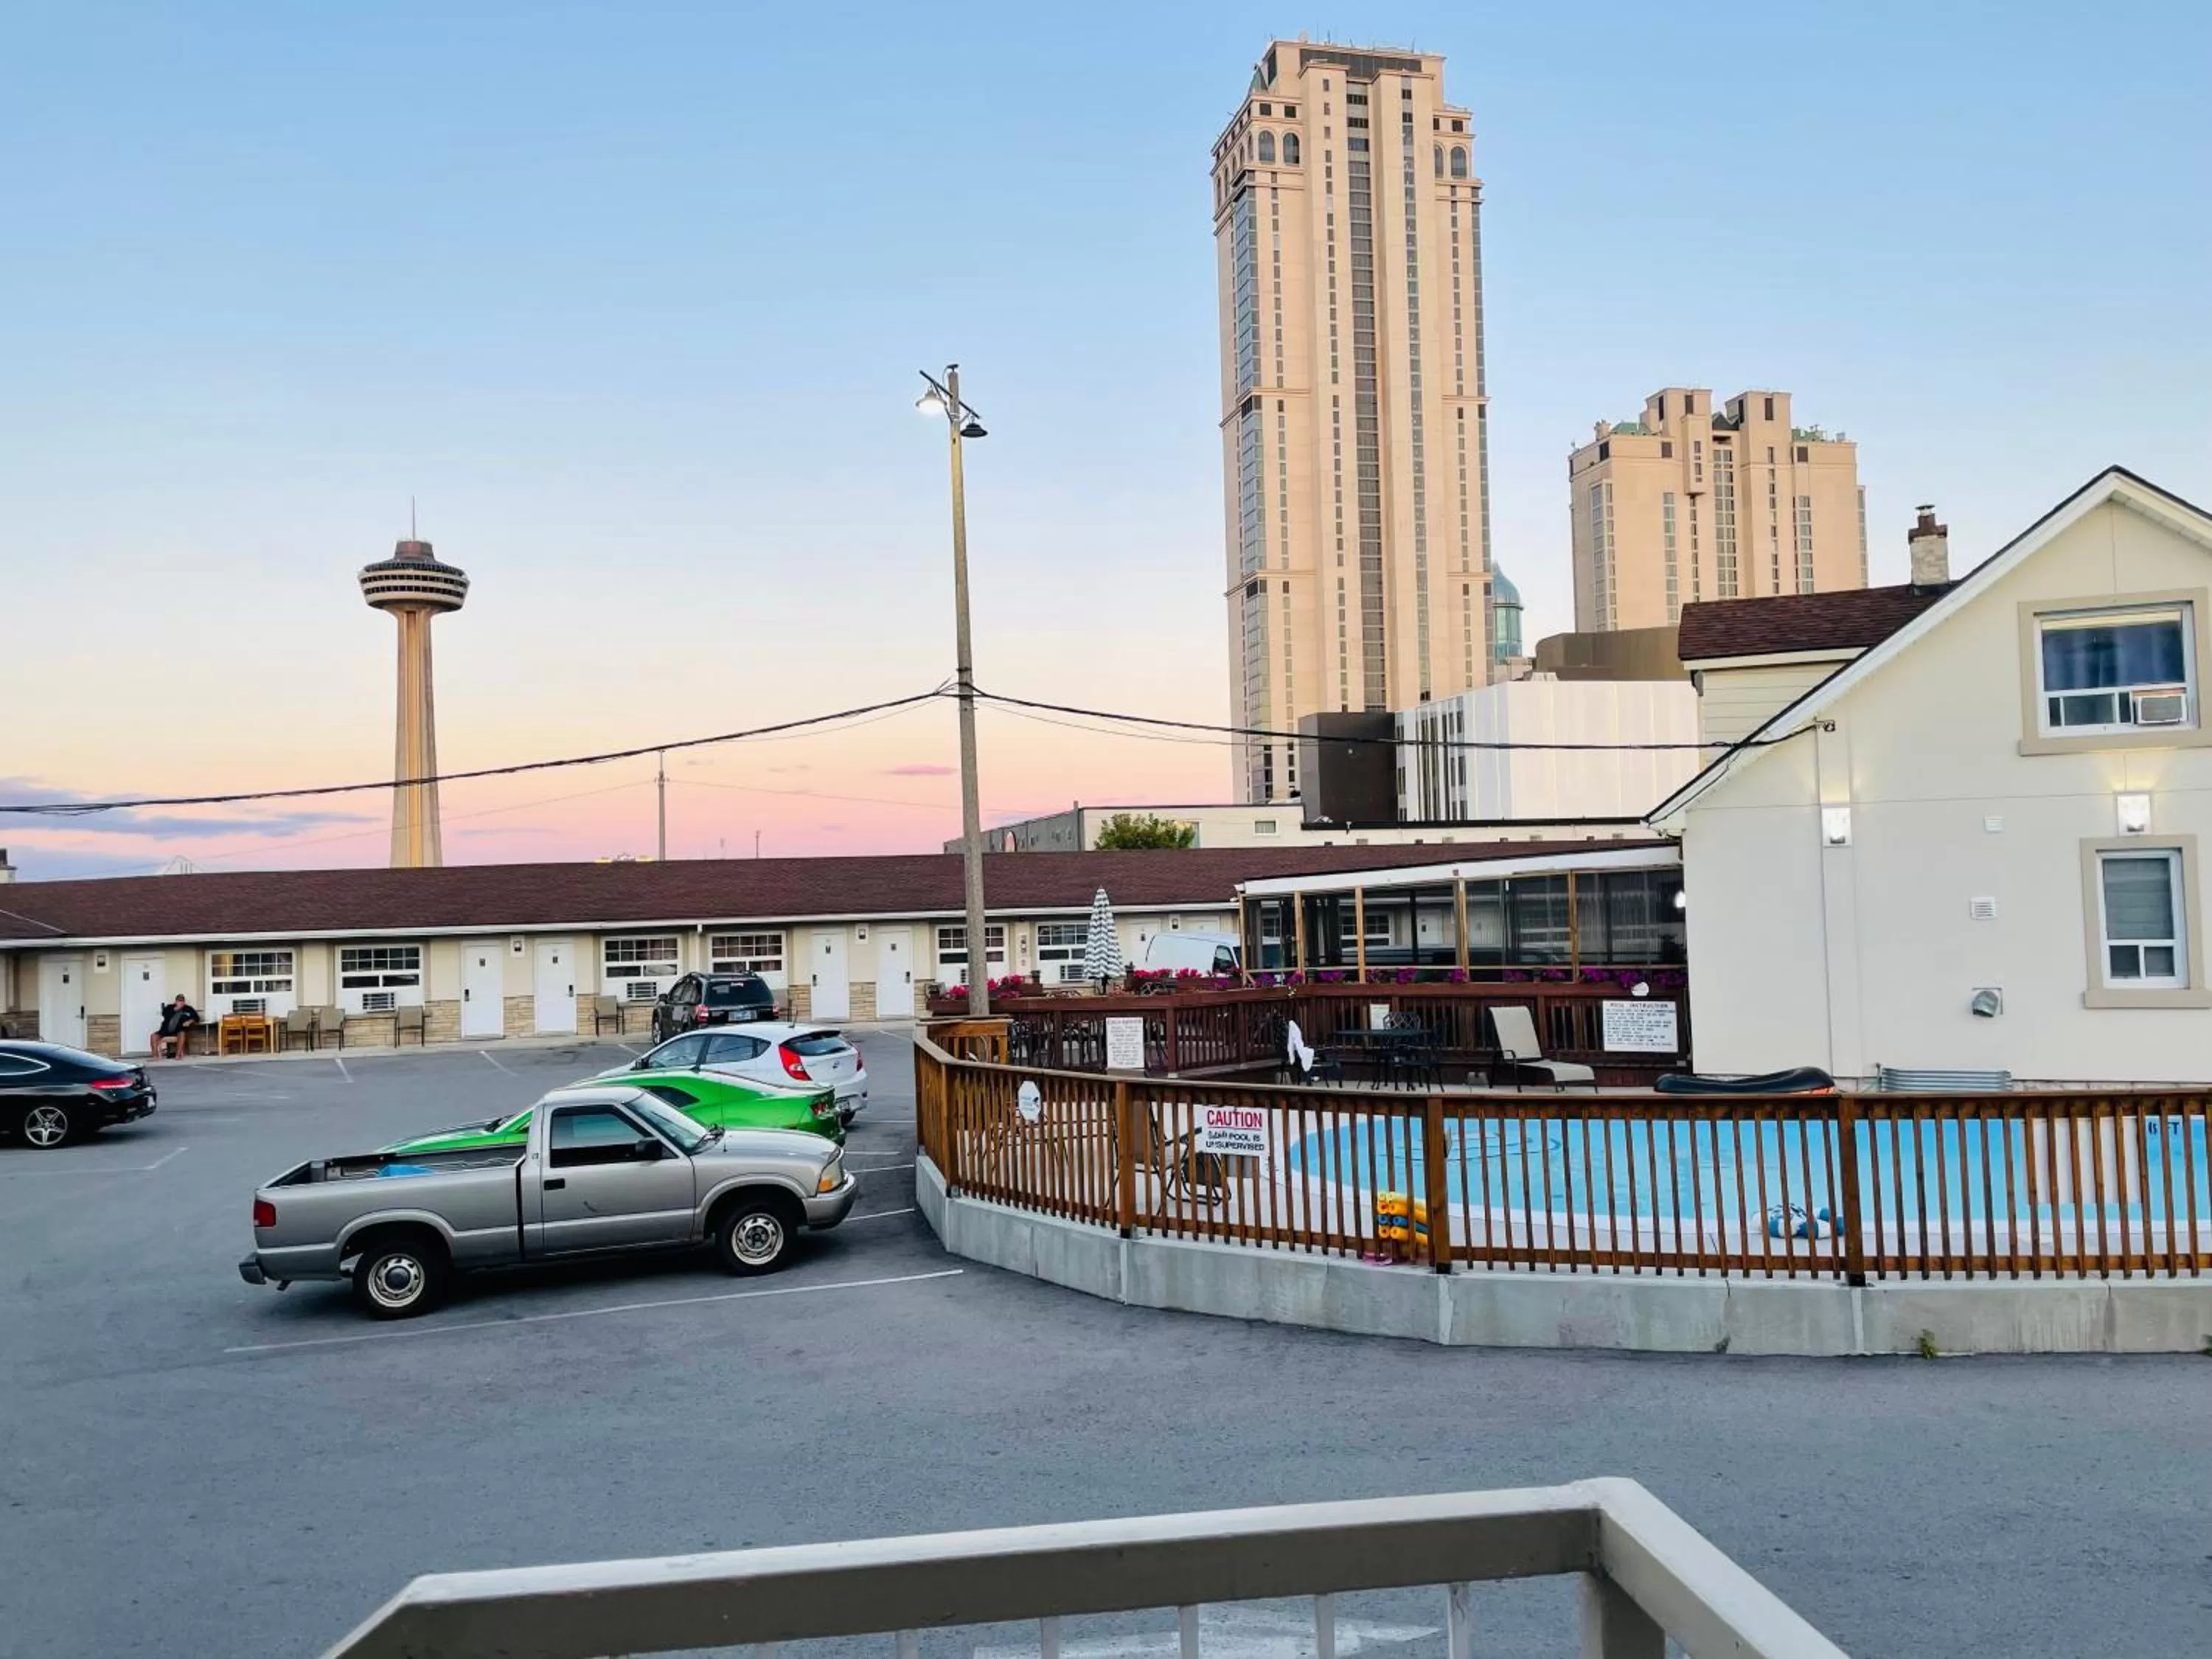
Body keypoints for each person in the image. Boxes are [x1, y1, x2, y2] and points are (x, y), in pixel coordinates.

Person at [151, 995, 200, 1060]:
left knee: (182, 1033)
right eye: (179, 1001)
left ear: (184, 1001)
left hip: (179, 1030)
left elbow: (197, 1018)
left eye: (182, 1001)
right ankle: (155, 1056)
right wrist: (176, 1009)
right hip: (166, 1030)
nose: (181, 1002)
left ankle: (178, 1056)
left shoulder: (188, 1009)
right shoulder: (169, 1007)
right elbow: (164, 1014)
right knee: (153, 1036)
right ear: (176, 1001)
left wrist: (190, 1021)